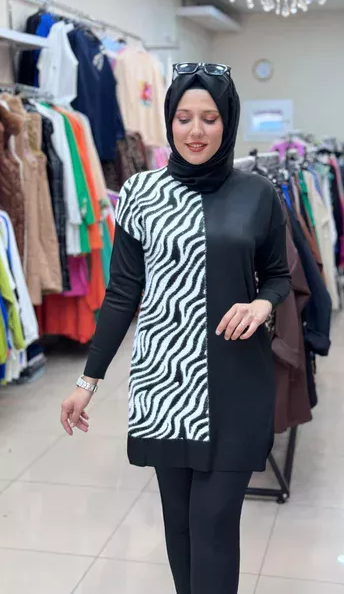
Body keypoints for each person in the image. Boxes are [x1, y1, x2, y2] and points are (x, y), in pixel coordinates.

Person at [60, 62, 291, 594]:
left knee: (214, 525)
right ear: (168, 121)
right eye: (184, 118)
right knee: (180, 525)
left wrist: (262, 304)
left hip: (236, 382)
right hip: (166, 384)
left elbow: (279, 275)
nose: (195, 131)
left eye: (210, 118)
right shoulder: (140, 192)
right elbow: (123, 293)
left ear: (228, 120)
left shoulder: (258, 193)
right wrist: (87, 381)